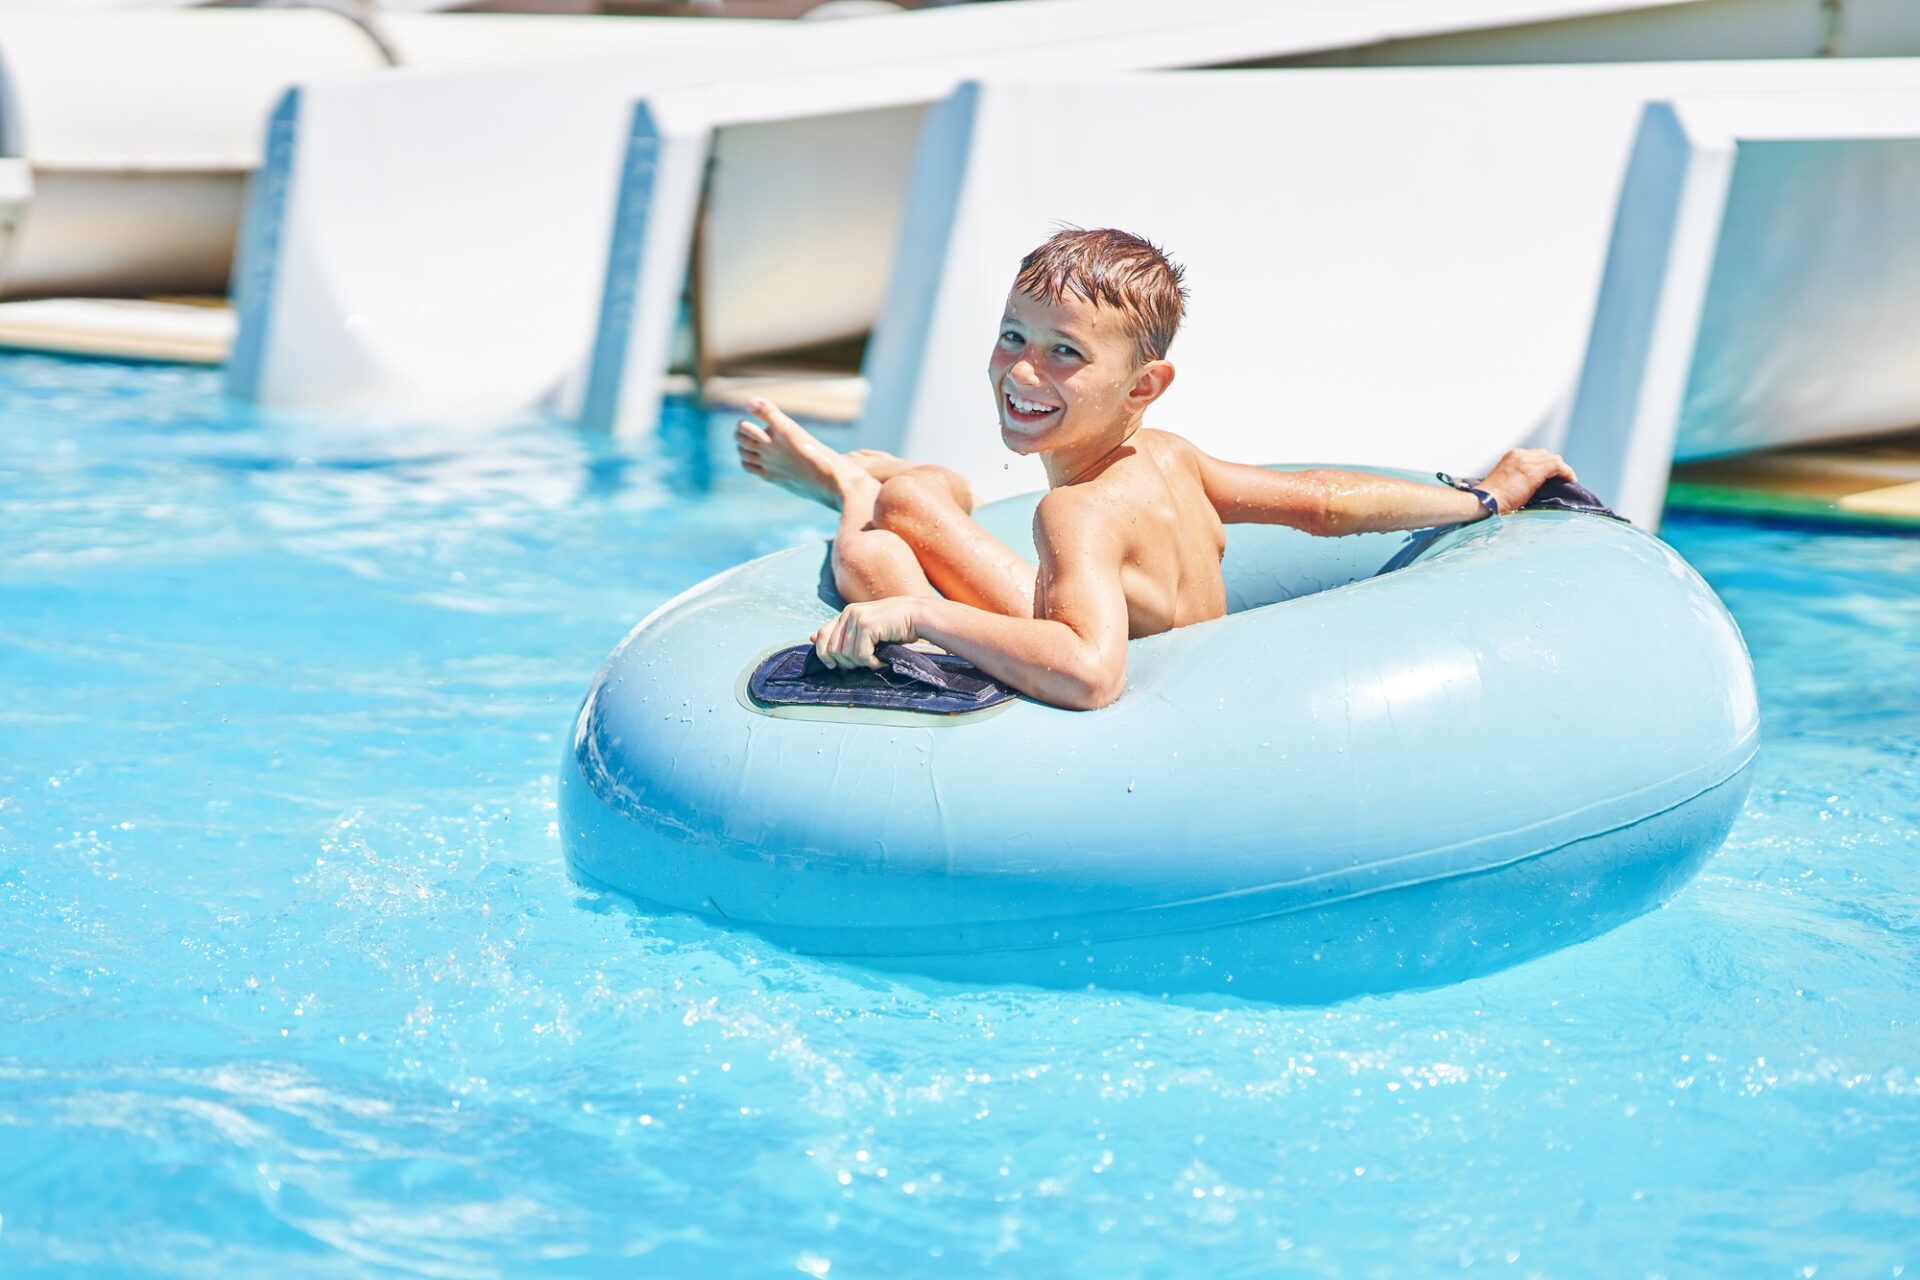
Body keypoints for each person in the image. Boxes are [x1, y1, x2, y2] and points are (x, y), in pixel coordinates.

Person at [735, 228, 1576, 711]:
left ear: (1144, 385)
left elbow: (1092, 673)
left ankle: (849, 487)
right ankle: (897, 484)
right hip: (1147, 636)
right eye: (1013, 336)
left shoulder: (1076, 515)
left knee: (875, 561)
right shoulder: (1169, 456)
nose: (1023, 372)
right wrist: (1477, 497)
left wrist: (919, 616)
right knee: (913, 501)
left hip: (1161, 707)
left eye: (1066, 353)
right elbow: (1320, 504)